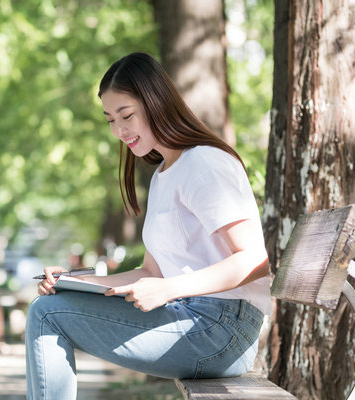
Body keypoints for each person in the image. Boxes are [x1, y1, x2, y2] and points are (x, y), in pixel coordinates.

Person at [25, 52, 272, 400]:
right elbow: (150, 272)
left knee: (47, 315)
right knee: (48, 308)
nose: (119, 130)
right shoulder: (163, 174)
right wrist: (73, 283)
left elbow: (254, 260)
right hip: (194, 319)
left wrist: (171, 289)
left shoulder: (203, 162)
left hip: (222, 331)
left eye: (126, 115)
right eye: (110, 119)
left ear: (156, 102)